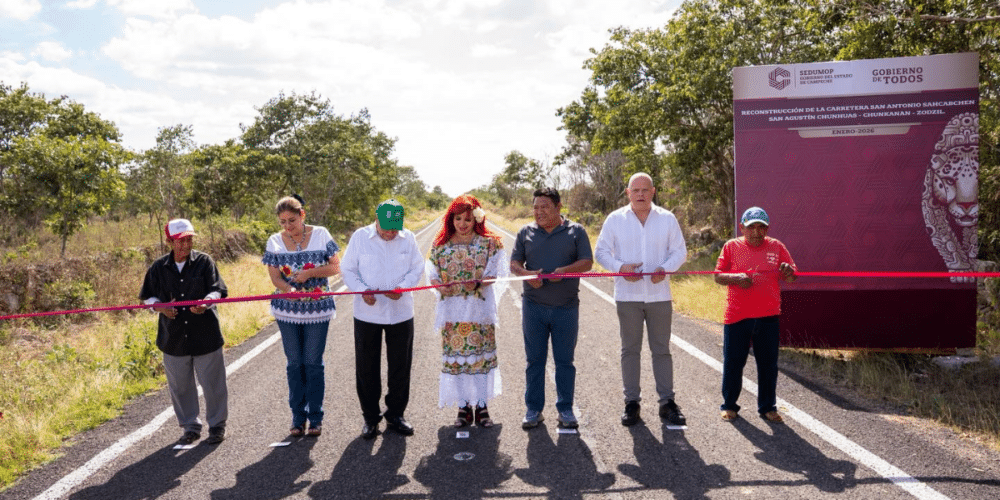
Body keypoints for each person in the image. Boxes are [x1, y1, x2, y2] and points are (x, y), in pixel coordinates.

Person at [595, 172, 688, 427]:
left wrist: (666, 269)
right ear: (627, 193)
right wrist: (620, 267)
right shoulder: (615, 220)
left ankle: (667, 403)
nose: (640, 195)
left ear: (653, 191)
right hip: (628, 296)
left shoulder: (667, 219)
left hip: (659, 296)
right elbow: (601, 252)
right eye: (635, 190)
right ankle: (631, 403)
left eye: (645, 190)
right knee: (630, 350)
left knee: (661, 349)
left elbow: (680, 251)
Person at [139, 218, 229, 445]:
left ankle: (217, 426)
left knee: (213, 384)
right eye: (180, 241)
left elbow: (218, 290)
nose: (186, 245)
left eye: (189, 240)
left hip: (206, 335)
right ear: (169, 241)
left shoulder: (205, 261)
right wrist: (161, 308)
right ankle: (190, 427)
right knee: (180, 387)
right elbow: (147, 298)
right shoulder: (158, 268)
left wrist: (206, 302)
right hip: (173, 338)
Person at [511, 187, 593, 430]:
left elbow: (587, 262)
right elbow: (515, 264)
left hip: (566, 308)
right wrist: (526, 275)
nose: (539, 212)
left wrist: (564, 272)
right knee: (534, 360)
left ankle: (565, 409)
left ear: (559, 207)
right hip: (533, 307)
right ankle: (533, 409)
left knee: (564, 361)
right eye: (535, 207)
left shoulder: (576, 231)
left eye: (544, 207)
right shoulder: (525, 232)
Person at [342, 199, 425, 439]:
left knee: (400, 366)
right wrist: (361, 290)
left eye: (394, 229)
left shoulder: (408, 238)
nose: (390, 233)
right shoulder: (359, 237)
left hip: (401, 313)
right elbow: (348, 269)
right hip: (367, 313)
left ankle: (396, 414)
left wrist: (403, 287)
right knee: (367, 367)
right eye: (386, 228)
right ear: (376, 220)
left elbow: (416, 268)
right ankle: (370, 418)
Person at [427, 194, 509, 427]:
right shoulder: (440, 245)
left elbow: (496, 272)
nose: (462, 224)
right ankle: (464, 407)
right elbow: (432, 274)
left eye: (467, 220)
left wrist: (482, 282)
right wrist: (438, 284)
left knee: (480, 360)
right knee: (459, 361)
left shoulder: (490, 244)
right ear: (451, 219)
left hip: (478, 312)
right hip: (453, 313)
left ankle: (482, 407)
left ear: (477, 221)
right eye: (458, 218)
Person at [262, 195, 341, 437]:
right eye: (283, 222)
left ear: (303, 215)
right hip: (287, 311)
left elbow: (336, 267)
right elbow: (275, 277)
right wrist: (289, 290)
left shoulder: (321, 234)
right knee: (295, 364)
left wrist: (309, 274)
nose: (287, 226)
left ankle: (315, 417)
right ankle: (298, 418)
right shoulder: (274, 241)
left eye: (292, 220)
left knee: (313, 363)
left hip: (318, 310)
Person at [714, 206, 798, 423]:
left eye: (762, 227)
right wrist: (736, 278)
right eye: (752, 227)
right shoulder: (731, 247)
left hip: (769, 316)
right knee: (734, 362)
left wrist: (789, 272)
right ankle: (729, 405)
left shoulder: (777, 246)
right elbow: (718, 276)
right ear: (742, 227)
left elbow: (791, 276)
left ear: (767, 228)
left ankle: (768, 407)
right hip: (737, 316)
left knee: (768, 364)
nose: (757, 232)